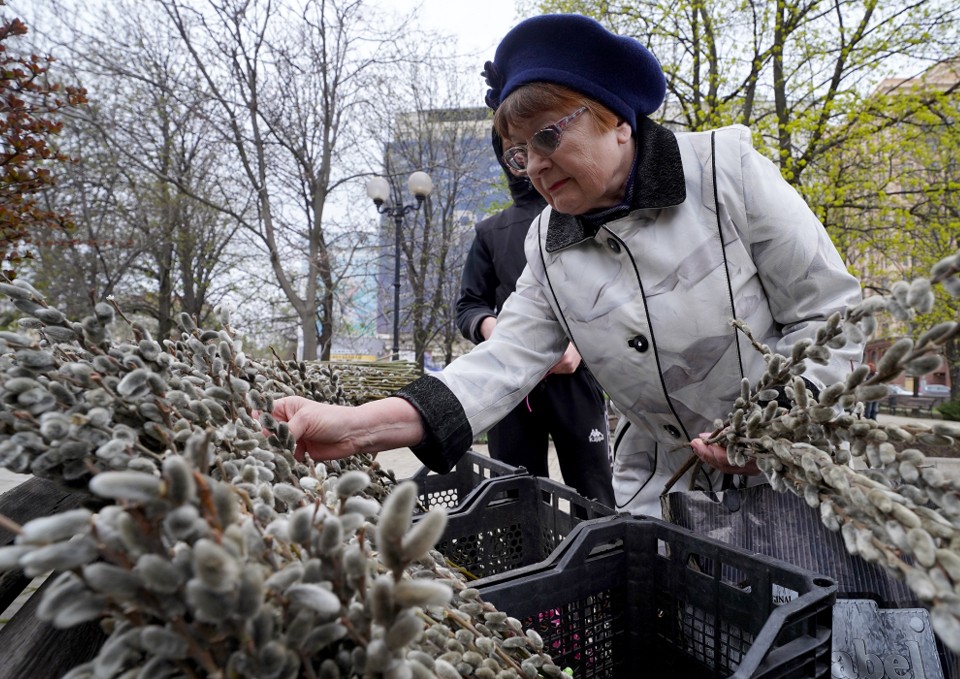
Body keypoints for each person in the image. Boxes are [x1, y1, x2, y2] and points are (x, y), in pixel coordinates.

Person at [273, 13, 863, 517]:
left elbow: (832, 313)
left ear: (617, 120)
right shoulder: (546, 245)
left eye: (548, 136)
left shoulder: (725, 170)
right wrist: (350, 428)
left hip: (799, 474)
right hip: (663, 491)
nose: (532, 164)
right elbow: (497, 367)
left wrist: (777, 424)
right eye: (518, 151)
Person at [456, 130, 614, 506]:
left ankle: (604, 559)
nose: (528, 162)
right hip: (511, 385)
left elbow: (613, 295)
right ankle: (530, 564)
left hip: (575, 378)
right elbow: (468, 306)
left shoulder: (587, 219)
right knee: (514, 495)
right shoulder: (491, 232)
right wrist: (497, 331)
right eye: (514, 153)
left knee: (594, 489)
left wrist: (579, 345)